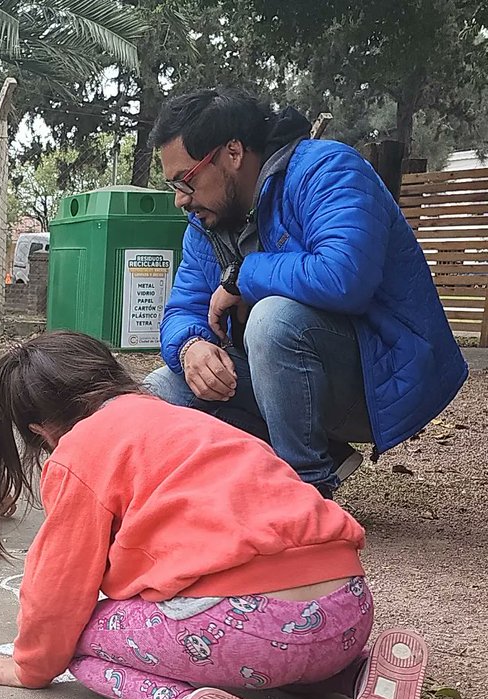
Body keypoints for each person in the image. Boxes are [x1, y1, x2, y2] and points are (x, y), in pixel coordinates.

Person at [0, 331, 428, 699]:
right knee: (281, 637)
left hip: (252, 633)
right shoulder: (193, 422)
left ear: (40, 429)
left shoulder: (79, 451)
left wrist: (32, 665)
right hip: (347, 611)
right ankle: (363, 675)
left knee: (75, 640)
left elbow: (58, 589)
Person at [143, 88, 467, 497]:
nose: (179, 200)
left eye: (184, 181)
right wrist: (191, 347)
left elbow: (345, 276)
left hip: (379, 377)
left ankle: (306, 491)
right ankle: (311, 460)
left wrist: (244, 276)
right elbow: (182, 311)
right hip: (288, 385)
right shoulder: (207, 223)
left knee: (272, 320)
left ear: (233, 153)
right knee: (165, 388)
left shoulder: (328, 169)